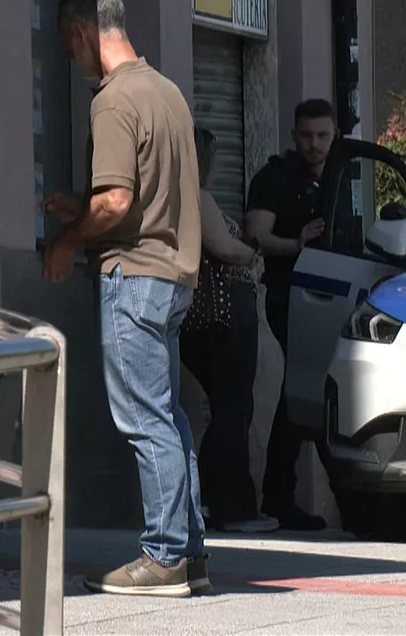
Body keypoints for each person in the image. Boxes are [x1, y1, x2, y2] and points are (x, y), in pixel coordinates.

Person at [43, 0, 207, 597]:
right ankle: (190, 552)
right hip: (173, 276)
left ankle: (163, 557)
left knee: (144, 420)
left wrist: (68, 242)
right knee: (170, 418)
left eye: (68, 47)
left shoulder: (112, 101)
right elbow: (141, 196)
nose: (71, 59)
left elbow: (117, 202)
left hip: (133, 278)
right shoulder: (166, 92)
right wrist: (77, 212)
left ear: (83, 33)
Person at [180, 126, 279, 535]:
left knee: (226, 410)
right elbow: (223, 247)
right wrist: (252, 252)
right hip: (224, 320)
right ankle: (235, 507)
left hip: (204, 320)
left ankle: (212, 497)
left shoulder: (173, 200)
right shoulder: (197, 197)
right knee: (232, 410)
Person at [244, 98, 336, 531]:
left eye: (322, 136)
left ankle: (291, 492)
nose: (314, 145)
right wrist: (297, 243)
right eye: (306, 135)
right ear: (293, 135)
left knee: (312, 390)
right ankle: (281, 493)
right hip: (290, 295)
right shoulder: (274, 178)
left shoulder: (342, 176)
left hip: (336, 293)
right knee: (302, 388)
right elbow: (257, 236)